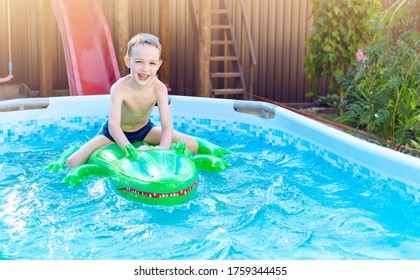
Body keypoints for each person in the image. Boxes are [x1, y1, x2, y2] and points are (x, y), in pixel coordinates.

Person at [66, 33, 198, 167]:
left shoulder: (159, 89)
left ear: (158, 65)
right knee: (72, 162)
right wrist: (131, 151)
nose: (145, 69)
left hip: (144, 131)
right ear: (128, 61)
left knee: (192, 144)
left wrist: (162, 150)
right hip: (113, 135)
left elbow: (167, 126)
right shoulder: (119, 88)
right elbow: (113, 126)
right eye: (139, 61)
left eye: (152, 63)